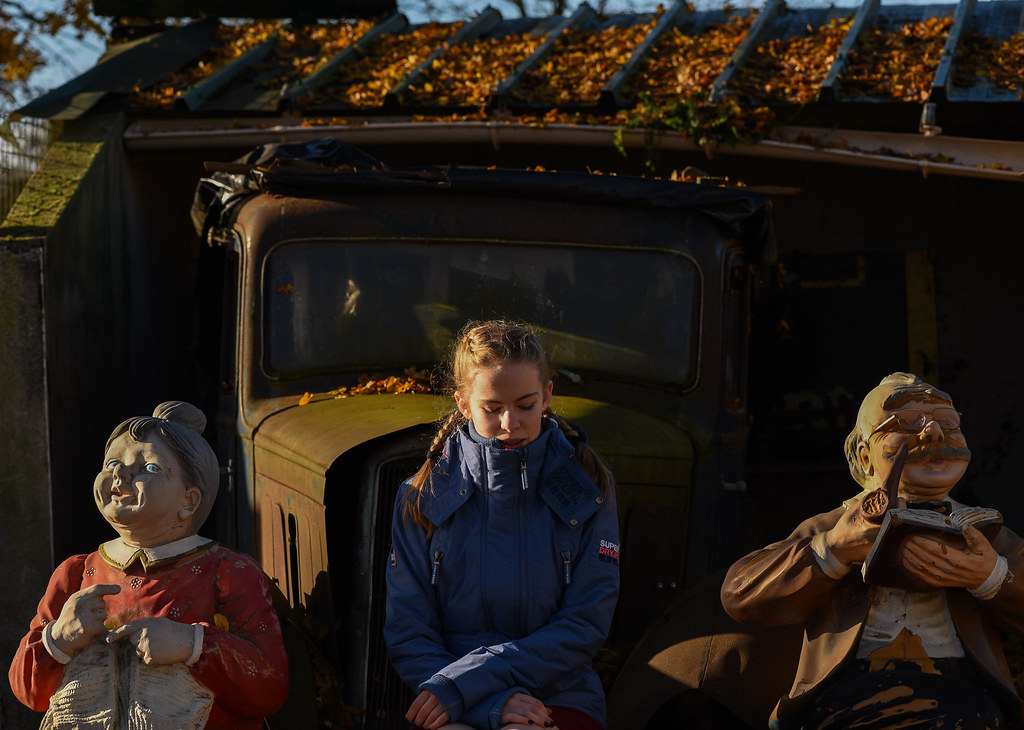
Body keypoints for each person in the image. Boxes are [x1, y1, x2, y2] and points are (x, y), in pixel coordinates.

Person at [721, 372, 1024, 729]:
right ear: (865, 455)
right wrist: (833, 550)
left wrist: (991, 576)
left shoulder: (985, 532)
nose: (934, 433)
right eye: (907, 423)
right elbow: (739, 594)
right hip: (850, 692)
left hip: (962, 689)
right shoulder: (835, 526)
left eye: (949, 424)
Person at [384, 320, 620, 730]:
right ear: (463, 404)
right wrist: (486, 702)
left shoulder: (589, 489)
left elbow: (585, 623)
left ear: (547, 395)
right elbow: (409, 630)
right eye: (492, 409)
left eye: (526, 405)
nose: (510, 423)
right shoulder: (420, 496)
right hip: (449, 698)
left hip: (561, 692)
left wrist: (471, 685)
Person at [10, 401, 289, 729]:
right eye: (112, 462)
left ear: (190, 500)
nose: (120, 474)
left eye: (150, 468)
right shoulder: (75, 574)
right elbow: (27, 690)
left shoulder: (228, 573)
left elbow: (269, 687)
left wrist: (192, 644)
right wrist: (58, 638)